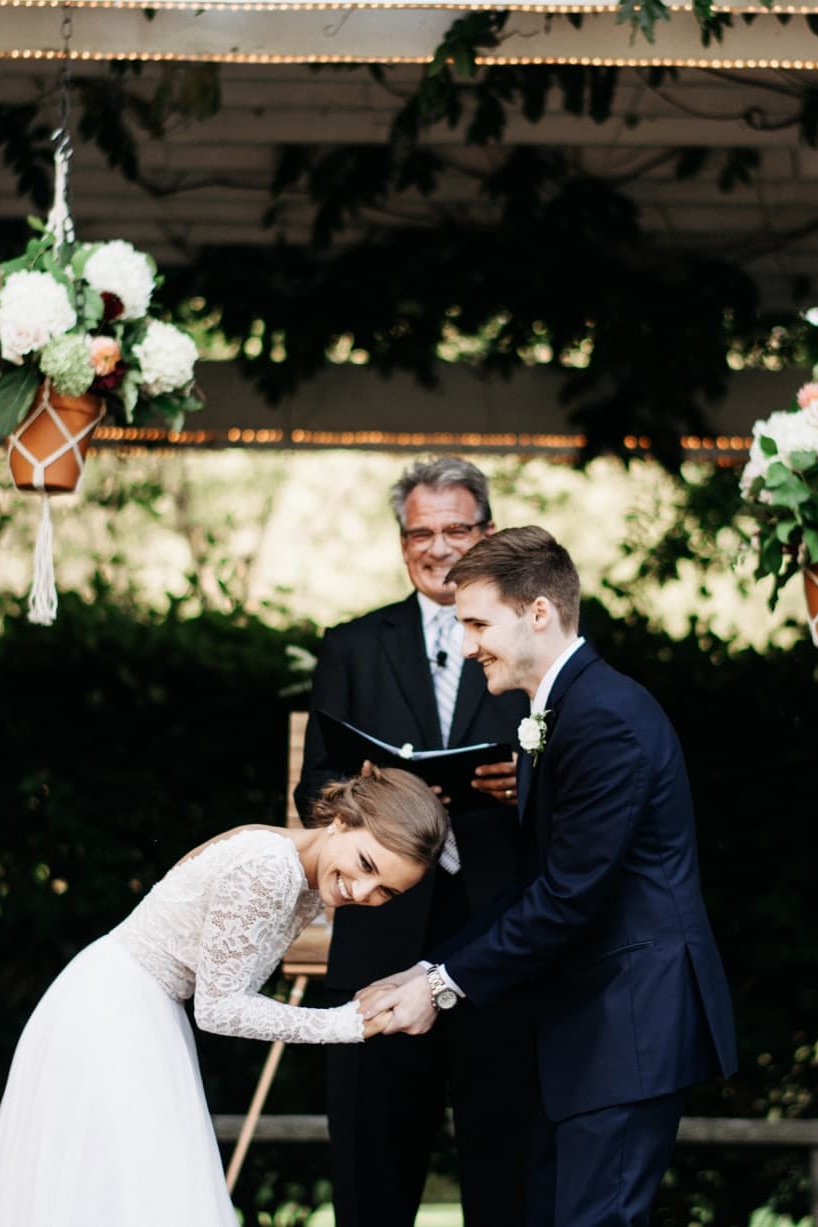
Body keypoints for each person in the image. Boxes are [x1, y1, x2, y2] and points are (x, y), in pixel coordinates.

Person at [358, 526, 739, 1227]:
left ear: (538, 611)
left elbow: (570, 897)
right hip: (586, 1026)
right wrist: (425, 968)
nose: (467, 645)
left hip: (627, 1020)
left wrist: (439, 991)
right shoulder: (553, 714)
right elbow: (532, 886)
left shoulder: (604, 720)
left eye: (477, 622)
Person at [0, 769, 447, 1226]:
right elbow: (219, 1008)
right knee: (129, 1192)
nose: (361, 891)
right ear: (341, 821)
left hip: (140, 1007)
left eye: (385, 890)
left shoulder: (302, 875)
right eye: (365, 864)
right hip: (112, 1014)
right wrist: (345, 1025)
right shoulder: (270, 867)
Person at [296, 457, 533, 1227]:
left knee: (508, 1167)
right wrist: (370, 798)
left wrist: (520, 783)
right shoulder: (353, 645)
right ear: (402, 543)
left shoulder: (529, 640)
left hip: (500, 937)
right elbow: (312, 793)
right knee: (372, 1172)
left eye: (456, 528)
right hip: (380, 944)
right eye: (420, 531)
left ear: (487, 533)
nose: (438, 546)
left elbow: (580, 781)